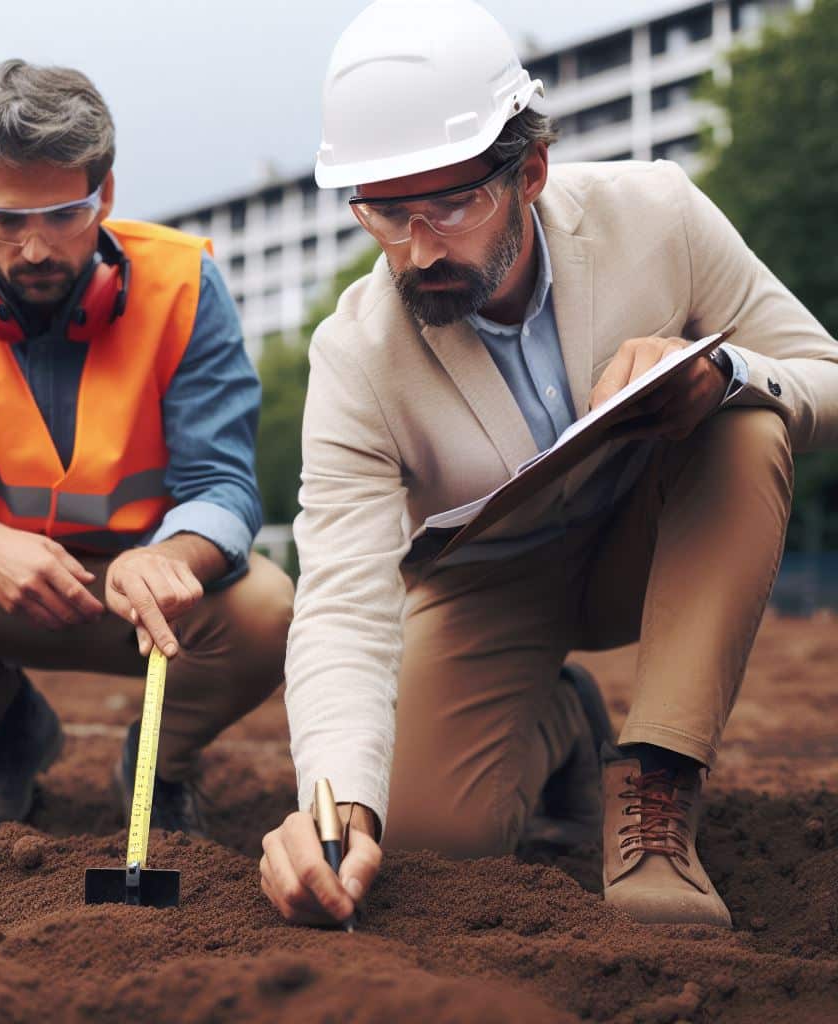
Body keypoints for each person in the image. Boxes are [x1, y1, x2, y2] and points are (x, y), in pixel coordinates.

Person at [260, 0, 838, 929]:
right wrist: (337, 802)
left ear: (528, 170)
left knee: (746, 417)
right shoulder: (353, 355)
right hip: (487, 587)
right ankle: (565, 721)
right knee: (422, 848)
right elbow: (341, 597)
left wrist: (722, 373)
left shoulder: (660, 215)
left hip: (658, 537)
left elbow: (824, 376)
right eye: (384, 213)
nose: (416, 249)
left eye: (450, 204)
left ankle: (657, 793)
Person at [0, 60, 293, 834]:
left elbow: (225, 488)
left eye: (64, 215)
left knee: (271, 608)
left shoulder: (184, 284)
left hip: (146, 599)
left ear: (104, 193)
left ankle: (160, 763)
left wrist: (167, 560)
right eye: (4, 221)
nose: (34, 249)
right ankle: (10, 731)